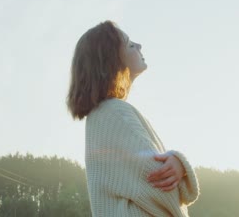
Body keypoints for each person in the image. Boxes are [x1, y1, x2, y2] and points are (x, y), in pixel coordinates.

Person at [67, 20, 200, 216]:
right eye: (130, 44)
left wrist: (178, 163)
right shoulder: (113, 113)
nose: (139, 46)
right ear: (111, 60)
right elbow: (166, 189)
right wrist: (180, 167)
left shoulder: (103, 115)